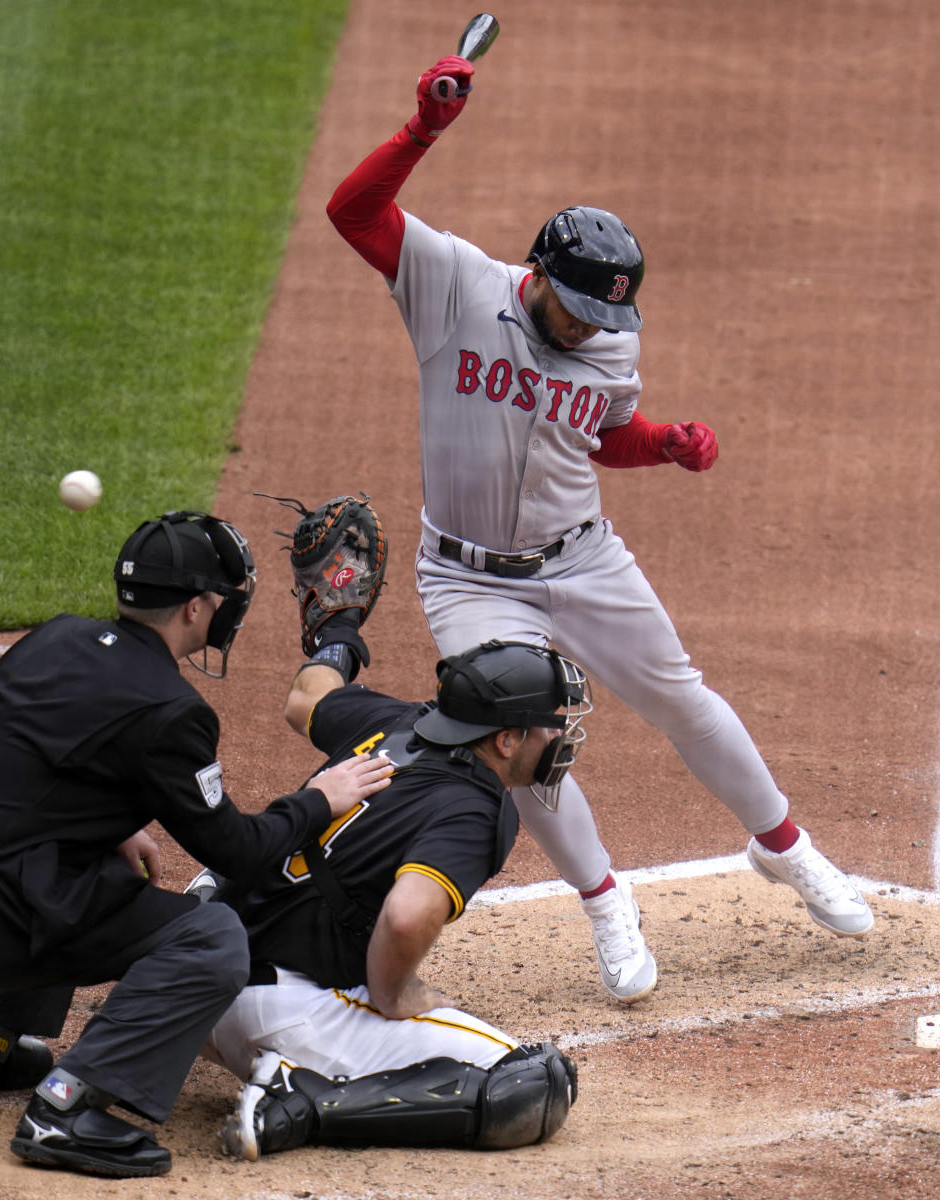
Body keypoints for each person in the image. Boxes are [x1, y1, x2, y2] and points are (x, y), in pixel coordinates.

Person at [324, 54, 874, 1005]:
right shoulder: (455, 284)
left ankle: (785, 846)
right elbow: (353, 215)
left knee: (683, 701)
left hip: (582, 558)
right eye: (575, 311)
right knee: (518, 737)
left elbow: (600, 433)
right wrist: (422, 130)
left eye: (603, 319)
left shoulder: (613, 336)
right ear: (537, 274)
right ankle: (604, 900)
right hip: (466, 579)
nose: (588, 332)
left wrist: (663, 444)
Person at [0, 509, 393, 1179]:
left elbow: (21, 761)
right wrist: (320, 798)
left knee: (61, 865)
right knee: (210, 935)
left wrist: (110, 822)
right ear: (199, 607)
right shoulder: (171, 711)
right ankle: (65, 1107)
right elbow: (237, 851)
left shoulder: (52, 638)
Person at [194, 618, 585, 1159]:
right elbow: (405, 917)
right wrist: (395, 994)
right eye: (549, 725)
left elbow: (306, 697)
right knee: (532, 1083)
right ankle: (300, 1099)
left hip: (195, 971)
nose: (559, 736)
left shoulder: (396, 720)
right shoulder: (476, 807)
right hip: (271, 1010)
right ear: (506, 739)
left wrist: (338, 630)